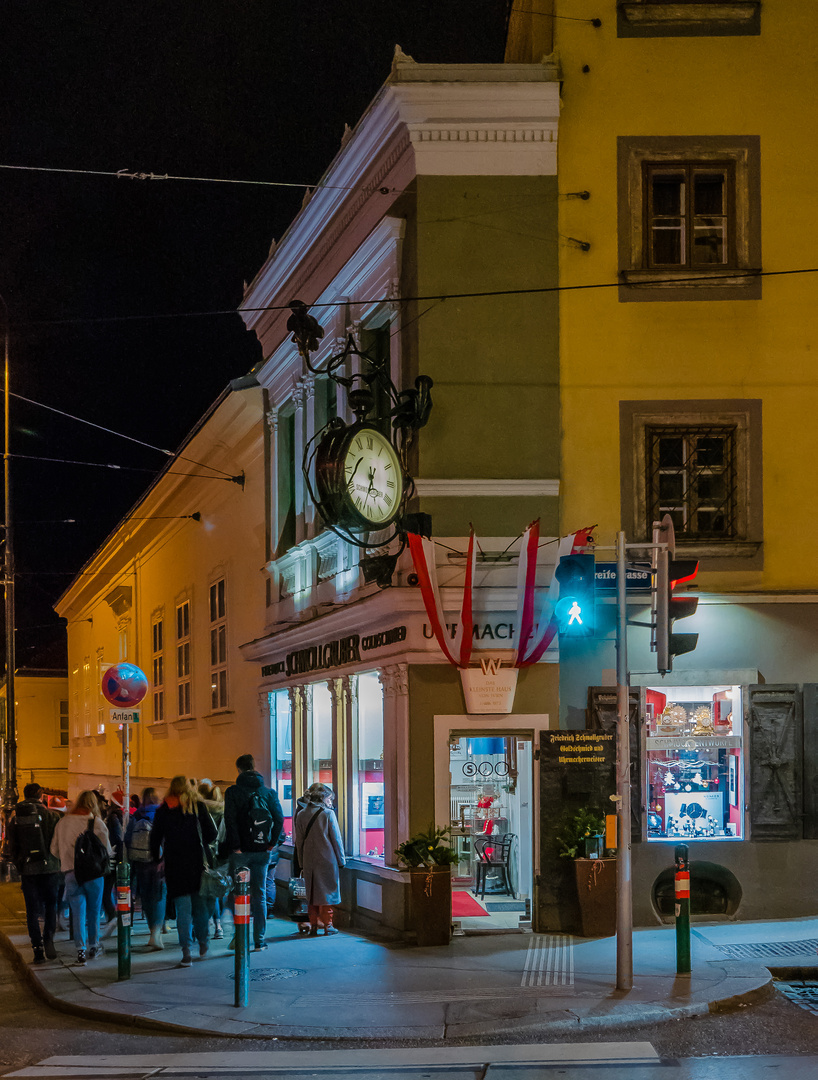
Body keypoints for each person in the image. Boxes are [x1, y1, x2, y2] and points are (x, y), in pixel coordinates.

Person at [150, 775, 217, 967]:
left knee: (182, 911)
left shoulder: (164, 808)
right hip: (196, 864)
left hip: (174, 865)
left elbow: (154, 838)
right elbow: (212, 834)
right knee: (200, 907)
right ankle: (203, 943)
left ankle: (186, 952)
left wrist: (158, 859)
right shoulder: (198, 806)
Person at [223, 754, 284, 951]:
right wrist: (271, 844)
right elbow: (279, 819)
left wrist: (236, 846)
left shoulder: (233, 792)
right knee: (259, 895)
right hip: (262, 851)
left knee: (238, 893)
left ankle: (239, 936)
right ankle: (259, 940)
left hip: (241, 852)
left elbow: (229, 820)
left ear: (239, 770)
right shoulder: (268, 792)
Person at [50, 790, 114, 966]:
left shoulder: (63, 823)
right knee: (94, 911)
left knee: (77, 912)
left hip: (71, 873)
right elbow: (107, 850)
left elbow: (53, 850)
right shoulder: (96, 823)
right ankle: (94, 946)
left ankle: (80, 951)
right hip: (93, 874)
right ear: (93, 804)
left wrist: (68, 858)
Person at [6, 783, 61, 963]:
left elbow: (12, 845)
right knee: (51, 905)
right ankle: (49, 940)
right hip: (50, 868)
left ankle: (37, 948)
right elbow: (56, 843)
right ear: (40, 795)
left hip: (28, 870)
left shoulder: (15, 818)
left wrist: (20, 863)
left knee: (32, 910)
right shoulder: (51, 815)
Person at [294, 782, 345, 936]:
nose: (331, 803)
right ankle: (328, 925)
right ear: (323, 799)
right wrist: (341, 860)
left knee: (312, 894)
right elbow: (336, 839)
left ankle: (314, 925)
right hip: (327, 859)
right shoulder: (328, 814)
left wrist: (301, 862)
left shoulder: (301, 814)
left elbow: (299, 841)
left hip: (309, 859)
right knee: (327, 893)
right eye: (329, 799)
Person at [124, 787, 166, 950]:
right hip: (159, 861)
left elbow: (127, 838)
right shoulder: (162, 813)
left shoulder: (137, 815)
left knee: (147, 896)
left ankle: (151, 931)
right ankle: (156, 934)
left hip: (141, 861)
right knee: (160, 895)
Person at [197, 780, 226, 939]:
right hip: (220, 854)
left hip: (204, 854)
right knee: (218, 889)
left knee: (205, 891)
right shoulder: (223, 809)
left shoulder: (200, 808)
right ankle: (219, 926)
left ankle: (207, 923)